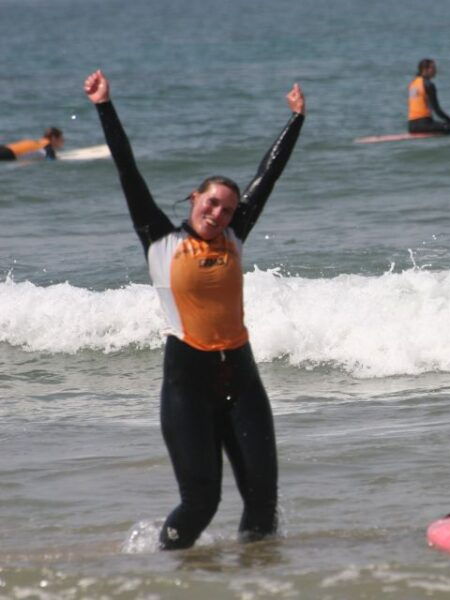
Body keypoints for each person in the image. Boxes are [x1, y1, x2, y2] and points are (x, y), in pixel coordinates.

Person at [83, 69, 305, 550]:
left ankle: (257, 579)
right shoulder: (161, 240)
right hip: (188, 379)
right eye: (211, 204)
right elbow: (127, 168)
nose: (218, 214)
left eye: (227, 209)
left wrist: (295, 121)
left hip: (241, 376)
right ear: (194, 199)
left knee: (262, 500)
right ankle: (164, 565)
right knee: (201, 501)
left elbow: (268, 175)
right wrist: (104, 105)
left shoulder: (234, 238)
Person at [407, 58, 450, 134]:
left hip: (411, 126)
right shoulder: (428, 84)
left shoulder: (412, 84)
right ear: (425, 69)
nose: (436, 70)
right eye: (433, 68)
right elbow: (437, 110)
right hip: (424, 125)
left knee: (443, 125)